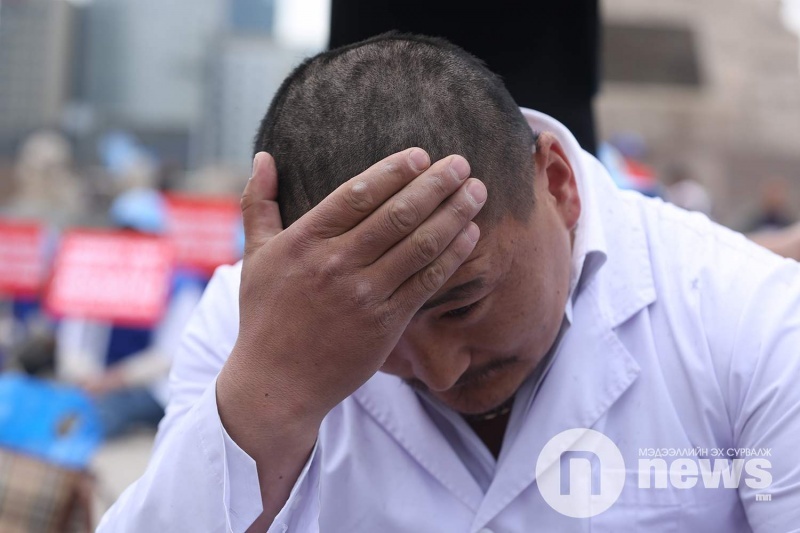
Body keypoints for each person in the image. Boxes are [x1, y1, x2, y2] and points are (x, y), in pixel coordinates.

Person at [99, 34, 800, 532]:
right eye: (377, 324)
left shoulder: (751, 319)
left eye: (463, 302)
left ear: (555, 184)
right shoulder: (248, 327)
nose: (438, 369)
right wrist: (268, 393)